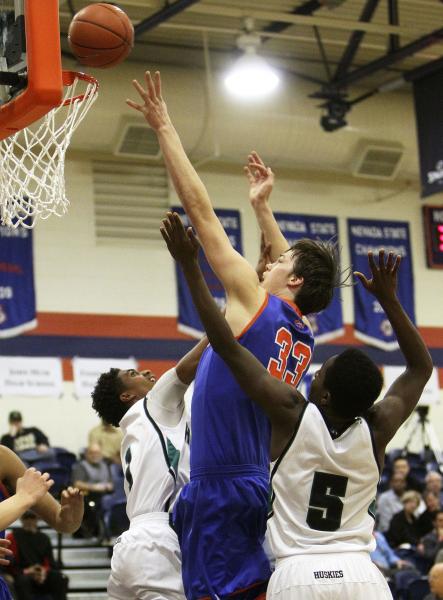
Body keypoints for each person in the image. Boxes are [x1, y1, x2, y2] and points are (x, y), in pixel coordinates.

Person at [128, 72, 342, 600]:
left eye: (280, 259)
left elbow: (200, 211)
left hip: (220, 482)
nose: (267, 256)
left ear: (289, 281)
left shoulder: (256, 302)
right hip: (252, 478)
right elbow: (298, 269)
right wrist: (262, 206)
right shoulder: (304, 331)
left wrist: (164, 127)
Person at [160, 212, 433, 600]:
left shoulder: (294, 415)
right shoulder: (378, 429)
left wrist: (190, 266)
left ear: (323, 395)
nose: (314, 373)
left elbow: (227, 345)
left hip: (300, 573)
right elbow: (421, 367)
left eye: (320, 373)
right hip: (363, 575)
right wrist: (389, 300)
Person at [91, 338, 207, 600]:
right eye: (133, 374)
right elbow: (194, 360)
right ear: (127, 396)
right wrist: (232, 317)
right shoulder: (152, 405)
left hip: (130, 544)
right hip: (156, 539)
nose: (145, 372)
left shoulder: (134, 430)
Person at [0, 446, 83, 600]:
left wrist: (72, 515)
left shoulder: (3, 457)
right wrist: (22, 498)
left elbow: (64, 523)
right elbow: (24, 497)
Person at [6, 511, 67, 600]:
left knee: (59, 578)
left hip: (41, 572)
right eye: (26, 518)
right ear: (22, 520)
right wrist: (27, 571)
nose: (29, 521)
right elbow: (10, 561)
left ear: (37, 519)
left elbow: (50, 561)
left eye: (32, 518)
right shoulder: (12, 537)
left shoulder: (44, 538)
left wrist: (43, 571)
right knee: (23, 581)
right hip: (22, 573)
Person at [71, 444, 114, 538]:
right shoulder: (81, 466)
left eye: (97, 453)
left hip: (104, 495)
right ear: (86, 454)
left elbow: (111, 483)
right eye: (92, 453)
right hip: (88, 496)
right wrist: (95, 487)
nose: (95, 455)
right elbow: (77, 484)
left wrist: (108, 486)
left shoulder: (105, 465)